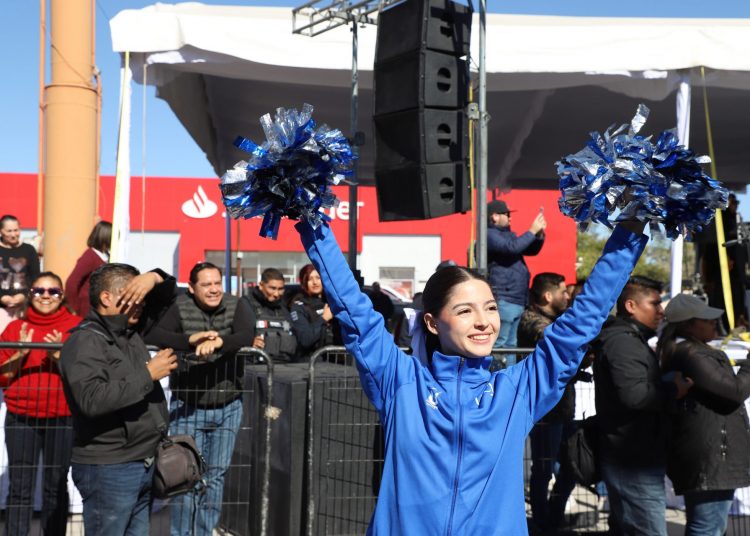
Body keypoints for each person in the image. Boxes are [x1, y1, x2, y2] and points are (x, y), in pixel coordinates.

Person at [294, 215, 648, 534]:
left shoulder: (517, 390)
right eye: (465, 311)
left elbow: (582, 320)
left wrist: (632, 223)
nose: (484, 322)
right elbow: (354, 311)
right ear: (432, 323)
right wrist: (310, 217)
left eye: (490, 308)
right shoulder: (401, 382)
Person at [59, 263, 178, 536]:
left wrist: (154, 277)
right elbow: (92, 400)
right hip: (109, 467)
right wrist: (148, 374)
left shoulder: (130, 331)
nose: (141, 302)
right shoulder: (85, 341)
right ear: (106, 298)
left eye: (141, 294)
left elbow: (168, 297)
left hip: (143, 460)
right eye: (132, 294)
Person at [144, 261, 254, 536]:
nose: (214, 289)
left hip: (228, 405)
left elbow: (247, 334)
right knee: (183, 475)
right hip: (188, 406)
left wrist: (220, 342)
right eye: (206, 284)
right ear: (192, 288)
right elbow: (154, 334)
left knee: (215, 477)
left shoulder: (237, 305)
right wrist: (191, 340)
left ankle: (203, 532)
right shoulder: (179, 306)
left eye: (217, 283)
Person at [592, 276, 692, 536]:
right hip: (632, 461)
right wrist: (675, 390)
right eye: (655, 304)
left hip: (635, 456)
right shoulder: (623, 342)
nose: (661, 311)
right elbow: (634, 395)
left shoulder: (628, 340)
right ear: (631, 306)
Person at [658, 293, 750, 536]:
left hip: (710, 453)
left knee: (711, 525)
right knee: (708, 527)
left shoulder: (690, 351)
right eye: (706, 320)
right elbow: (733, 392)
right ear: (688, 325)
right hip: (709, 455)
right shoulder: (691, 354)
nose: (713, 324)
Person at [0, 272, 82, 535]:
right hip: (21, 418)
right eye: (39, 291)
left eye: (53, 291)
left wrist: (58, 356)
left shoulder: (77, 327)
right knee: (20, 488)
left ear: (62, 296)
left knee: (55, 487)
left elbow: (84, 375)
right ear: (30, 294)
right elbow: (3, 376)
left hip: (62, 418)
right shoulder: (15, 328)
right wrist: (20, 353)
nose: (46, 296)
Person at [517, 272, 577, 533]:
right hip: (546, 412)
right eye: (563, 292)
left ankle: (554, 513)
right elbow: (554, 341)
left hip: (563, 409)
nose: (567, 297)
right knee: (543, 468)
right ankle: (543, 522)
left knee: (573, 465)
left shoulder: (555, 320)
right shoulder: (531, 320)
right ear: (548, 296)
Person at [486, 200, 546, 365]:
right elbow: (512, 247)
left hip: (516, 298)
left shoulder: (507, 236)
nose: (510, 218)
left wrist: (538, 235)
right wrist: (532, 231)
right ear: (495, 216)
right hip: (505, 297)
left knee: (511, 345)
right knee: (500, 344)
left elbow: (529, 249)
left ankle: (508, 376)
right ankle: (496, 374)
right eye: (507, 214)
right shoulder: (489, 234)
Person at [243, 267, 297, 361]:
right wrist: (249, 343)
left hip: (286, 366)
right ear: (261, 285)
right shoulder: (247, 304)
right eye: (272, 288)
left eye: (280, 289)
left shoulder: (284, 309)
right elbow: (239, 336)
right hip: (256, 366)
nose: (276, 294)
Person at [0, 215, 40, 334]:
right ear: (1, 231)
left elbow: (35, 278)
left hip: (24, 306)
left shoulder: (29, 250)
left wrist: (24, 296)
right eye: (9, 231)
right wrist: (1, 297)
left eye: (16, 230)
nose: (13, 234)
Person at [289, 263, 339, 359]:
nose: (315, 282)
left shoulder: (332, 302)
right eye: (310, 279)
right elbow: (305, 339)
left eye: (318, 278)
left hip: (336, 360)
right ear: (303, 282)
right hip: (312, 362)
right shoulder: (299, 306)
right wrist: (324, 319)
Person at [65, 220, 112, 317]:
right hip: (86, 307)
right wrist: (73, 308)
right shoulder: (90, 255)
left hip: (99, 306)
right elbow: (71, 282)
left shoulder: (106, 255)